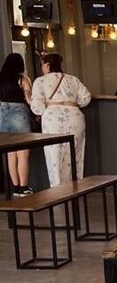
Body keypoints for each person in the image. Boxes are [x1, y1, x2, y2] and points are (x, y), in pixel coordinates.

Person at [29, 53, 91, 189]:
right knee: (75, 153)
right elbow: (86, 98)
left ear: (46, 65)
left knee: (54, 154)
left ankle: (58, 189)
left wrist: (48, 104)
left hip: (53, 119)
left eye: (42, 65)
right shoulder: (73, 79)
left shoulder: (40, 81)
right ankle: (75, 186)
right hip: (75, 117)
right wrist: (71, 103)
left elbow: (37, 108)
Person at [0, 52, 33, 195]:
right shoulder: (22, 79)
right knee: (23, 153)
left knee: (10, 154)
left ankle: (15, 188)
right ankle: (24, 188)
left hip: (2, 115)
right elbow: (30, 99)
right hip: (19, 114)